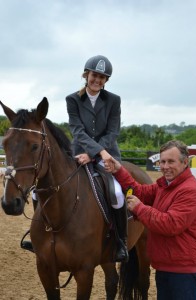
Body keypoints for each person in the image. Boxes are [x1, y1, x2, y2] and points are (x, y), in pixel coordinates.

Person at [105, 140, 196, 300]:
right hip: (165, 266)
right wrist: (119, 170)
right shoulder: (164, 185)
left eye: (171, 161)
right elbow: (139, 191)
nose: (165, 166)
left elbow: (171, 224)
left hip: (183, 271)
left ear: (185, 162)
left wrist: (139, 208)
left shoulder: (190, 190)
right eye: (162, 162)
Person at [65, 55, 128, 262]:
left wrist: (95, 154)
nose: (97, 80)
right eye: (94, 75)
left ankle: (121, 241)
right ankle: (39, 236)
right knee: (43, 190)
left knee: (117, 193)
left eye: (102, 77)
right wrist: (93, 152)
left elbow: (112, 132)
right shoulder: (72, 99)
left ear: (106, 80)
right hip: (77, 153)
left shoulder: (114, 100)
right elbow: (78, 130)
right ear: (86, 75)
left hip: (106, 153)